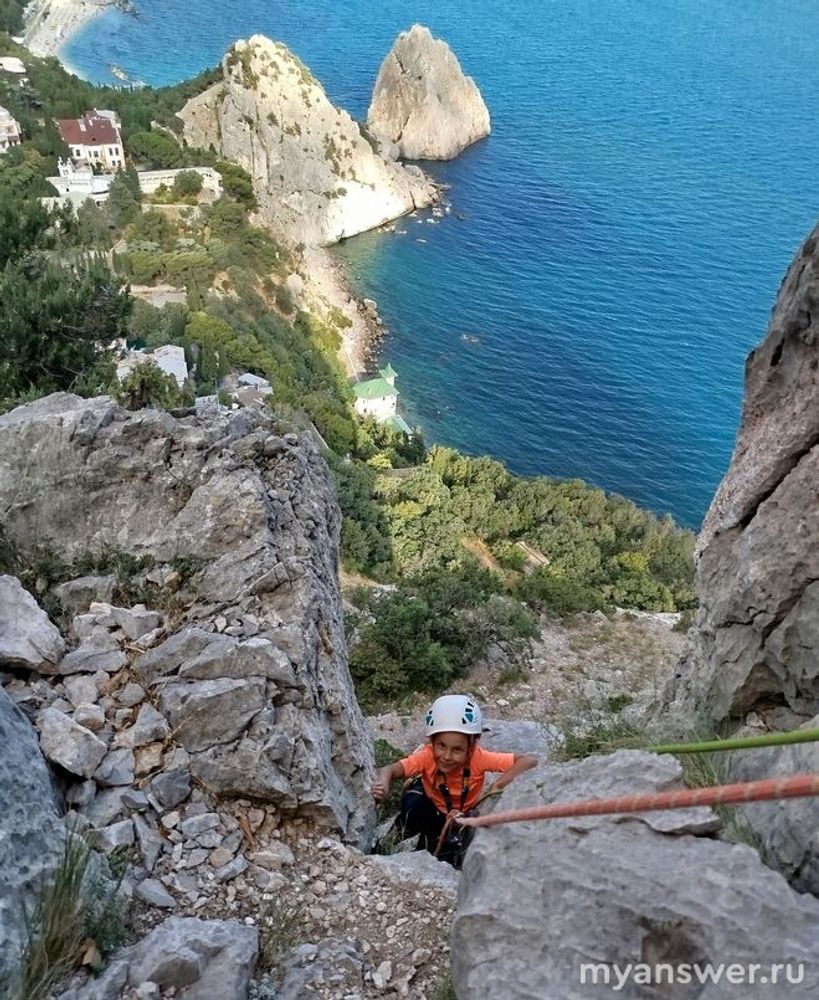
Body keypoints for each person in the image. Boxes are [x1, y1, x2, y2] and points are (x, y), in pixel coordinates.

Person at [371, 694, 538, 867]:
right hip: (428, 805)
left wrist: (499, 784)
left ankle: (424, 852)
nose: (447, 756)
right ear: (432, 742)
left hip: (455, 818)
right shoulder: (427, 756)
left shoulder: (478, 759)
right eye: (441, 746)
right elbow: (389, 770)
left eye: (457, 749)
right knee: (413, 807)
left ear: (471, 746)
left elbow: (529, 761)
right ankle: (385, 846)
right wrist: (383, 784)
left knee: (441, 855)